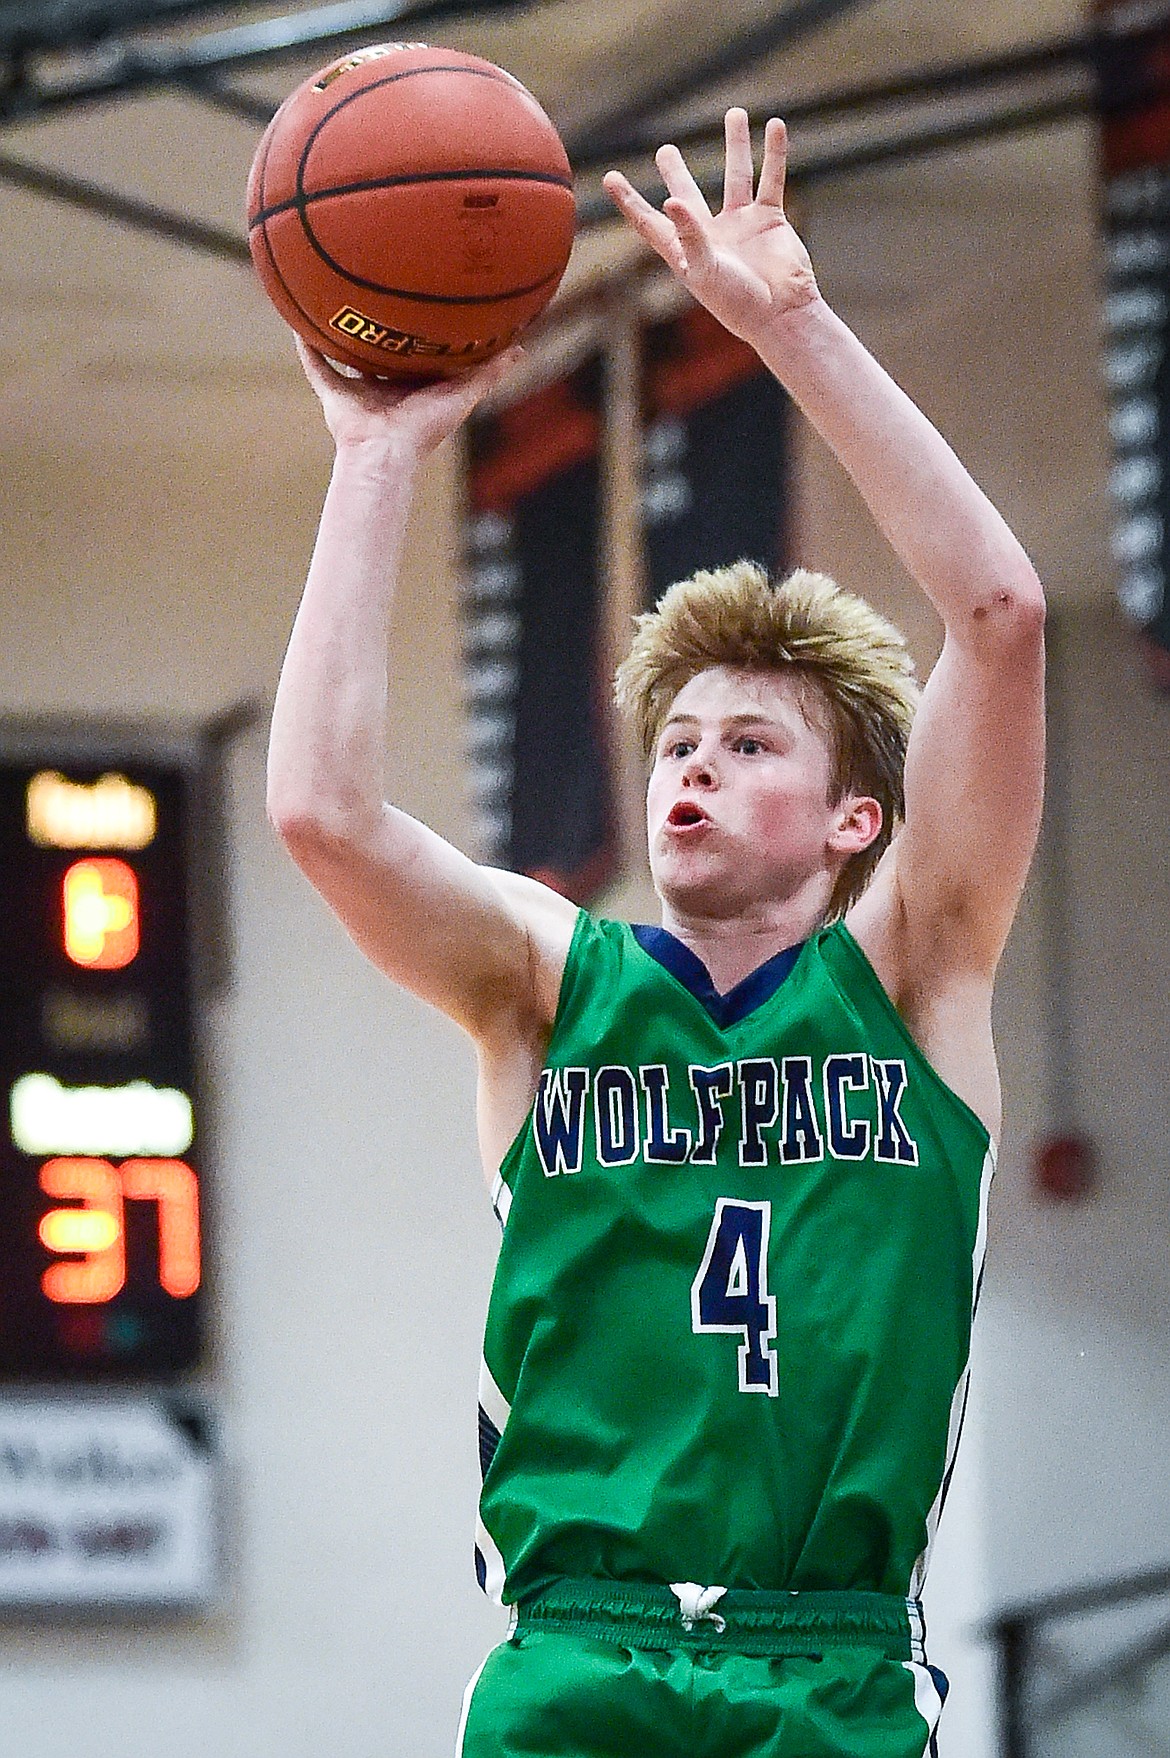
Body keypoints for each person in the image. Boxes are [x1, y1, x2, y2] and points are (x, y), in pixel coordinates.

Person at [268, 110, 1045, 1758]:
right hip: (576, 1654)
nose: (691, 763)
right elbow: (324, 817)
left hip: (827, 1664)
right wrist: (377, 458)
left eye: (749, 742)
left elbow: (999, 618)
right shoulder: (547, 983)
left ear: (857, 823)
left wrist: (786, 328)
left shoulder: (913, 975)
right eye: (677, 740)